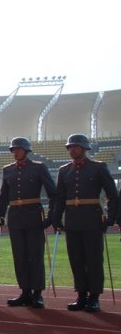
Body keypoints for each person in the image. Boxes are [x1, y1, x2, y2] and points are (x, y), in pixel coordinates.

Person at [53, 134, 119, 313]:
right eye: (70, 147)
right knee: (76, 259)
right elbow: (60, 198)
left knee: (93, 259)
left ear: (84, 148)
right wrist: (56, 218)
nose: (72, 149)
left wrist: (111, 219)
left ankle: (94, 297)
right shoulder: (64, 170)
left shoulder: (98, 168)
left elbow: (113, 195)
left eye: (75, 146)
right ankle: (81, 295)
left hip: (92, 219)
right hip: (72, 220)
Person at [0, 137, 57, 309]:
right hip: (15, 217)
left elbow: (53, 193)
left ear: (26, 150)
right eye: (12, 149)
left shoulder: (38, 168)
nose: (14, 152)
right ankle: (25, 291)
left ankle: (37, 293)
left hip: (33, 216)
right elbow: (3, 198)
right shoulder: (7, 170)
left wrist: (51, 216)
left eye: (17, 149)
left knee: (35, 255)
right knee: (20, 256)